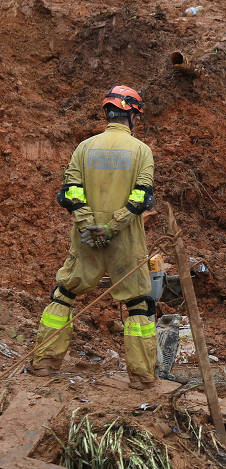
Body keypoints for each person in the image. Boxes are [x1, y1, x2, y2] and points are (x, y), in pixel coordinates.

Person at [30, 85, 158, 389]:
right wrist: (112, 227)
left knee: (65, 294)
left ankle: (45, 363)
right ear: (131, 115)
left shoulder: (84, 148)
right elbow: (141, 198)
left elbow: (71, 192)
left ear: (108, 112)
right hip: (125, 242)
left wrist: (89, 225)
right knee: (138, 304)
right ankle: (141, 378)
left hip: (85, 240)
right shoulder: (141, 152)